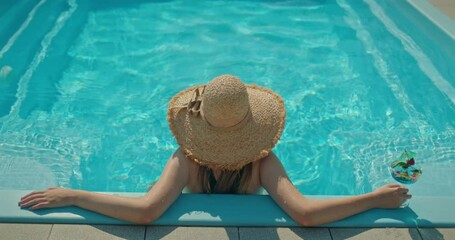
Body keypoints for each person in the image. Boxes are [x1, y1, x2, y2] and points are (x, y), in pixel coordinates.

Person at [18, 75, 411, 226]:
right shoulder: (264, 162)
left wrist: (72, 194)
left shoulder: (185, 162)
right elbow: (306, 215)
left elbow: (144, 212)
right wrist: (373, 198)